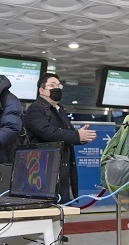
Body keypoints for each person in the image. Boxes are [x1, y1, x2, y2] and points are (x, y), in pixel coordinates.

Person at [25, 73, 96, 204]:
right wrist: (76, 136)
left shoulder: (59, 110)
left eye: (59, 86)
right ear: (41, 90)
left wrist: (81, 136)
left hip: (61, 170)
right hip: (41, 171)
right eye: (52, 85)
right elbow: (47, 132)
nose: (57, 88)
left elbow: (68, 133)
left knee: (61, 211)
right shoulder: (35, 109)